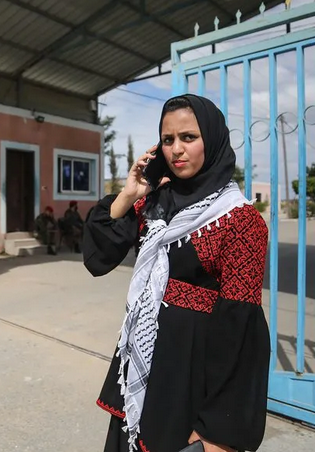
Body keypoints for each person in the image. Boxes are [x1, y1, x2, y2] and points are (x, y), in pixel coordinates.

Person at [82, 94, 270, 452]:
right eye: (168, 140)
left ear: (211, 140)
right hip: (142, 360)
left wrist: (217, 428)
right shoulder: (155, 204)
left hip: (191, 376)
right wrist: (128, 195)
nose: (176, 150)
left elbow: (240, 327)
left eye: (188, 137)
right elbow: (99, 258)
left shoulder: (239, 220)